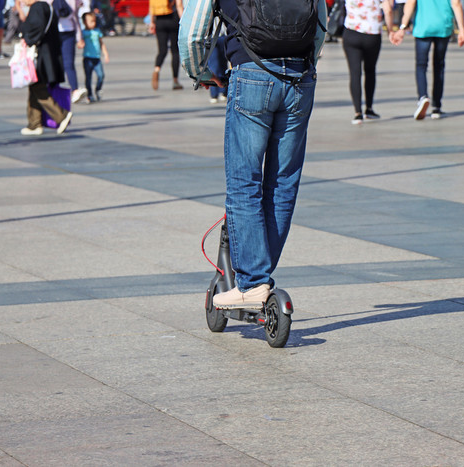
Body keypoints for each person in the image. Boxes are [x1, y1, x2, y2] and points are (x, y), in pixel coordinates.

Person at [180, 0, 327, 308]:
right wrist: (306, 63)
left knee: (244, 183)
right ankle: (259, 276)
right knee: (283, 181)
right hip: (300, 77)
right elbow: (320, 22)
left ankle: (253, 281)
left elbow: (192, 34)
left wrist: (201, 73)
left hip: (251, 73)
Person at [391, 0, 464, 120]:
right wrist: (461, 29)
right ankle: (437, 106)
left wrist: (403, 27)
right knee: (439, 65)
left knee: (421, 65)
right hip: (443, 25)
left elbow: (411, 3)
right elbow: (456, 3)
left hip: (423, 25)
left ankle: (423, 96)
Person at [20, 0, 73, 135]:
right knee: (35, 86)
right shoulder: (47, 7)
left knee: (38, 86)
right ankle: (34, 124)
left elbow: (35, 28)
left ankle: (61, 115)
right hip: (49, 53)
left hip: (41, 55)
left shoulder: (37, 7)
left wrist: (27, 38)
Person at [342, 0, 394, 124]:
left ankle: (358, 113)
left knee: (355, 73)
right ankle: (369, 109)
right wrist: (390, 31)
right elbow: (388, 9)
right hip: (372, 33)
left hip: (351, 31)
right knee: (370, 70)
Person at [149, 0, 182, 90]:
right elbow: (179, 5)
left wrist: (152, 22)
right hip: (173, 19)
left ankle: (157, 70)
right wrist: (183, 22)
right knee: (175, 51)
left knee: (162, 50)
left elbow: (151, 7)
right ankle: (175, 81)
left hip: (159, 21)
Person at [79, 11, 109, 103]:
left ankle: (98, 89)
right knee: (88, 77)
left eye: (94, 21)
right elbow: (79, 42)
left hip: (97, 58)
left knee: (101, 75)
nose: (93, 23)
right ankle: (90, 95)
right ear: (84, 22)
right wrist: (80, 43)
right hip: (87, 58)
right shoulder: (83, 33)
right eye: (91, 21)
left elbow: (101, 43)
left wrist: (105, 53)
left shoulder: (97, 32)